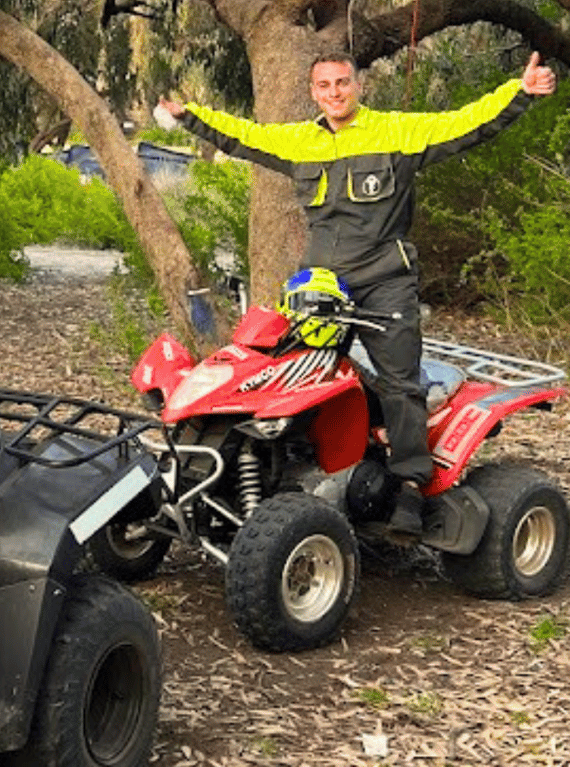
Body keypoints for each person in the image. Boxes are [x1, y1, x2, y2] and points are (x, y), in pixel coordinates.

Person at [161, 50, 557, 539]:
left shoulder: (396, 132)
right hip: (320, 285)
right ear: (312, 92)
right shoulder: (299, 141)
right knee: (288, 370)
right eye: (324, 85)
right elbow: (244, 136)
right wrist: (188, 116)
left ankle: (412, 482)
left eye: (342, 83)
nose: (334, 93)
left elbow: (467, 124)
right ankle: (292, 469)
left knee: (399, 379)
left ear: (358, 86)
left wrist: (518, 93)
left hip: (385, 278)